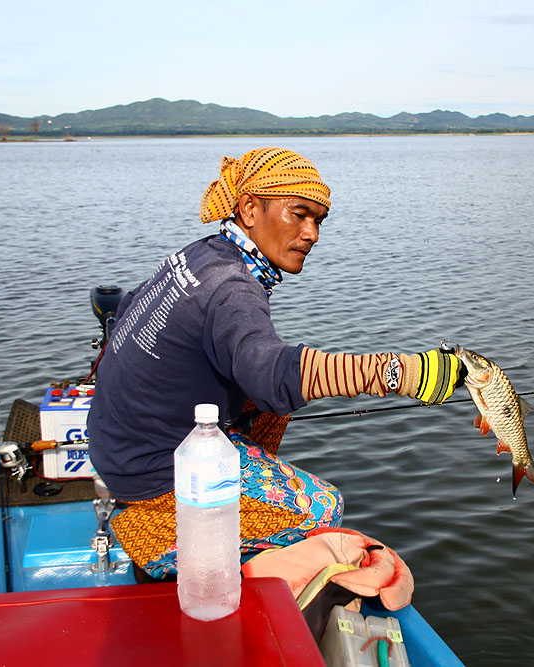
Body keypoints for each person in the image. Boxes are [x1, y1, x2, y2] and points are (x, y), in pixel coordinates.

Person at [87, 147, 463, 581]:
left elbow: (134, 305)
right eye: (299, 214)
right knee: (323, 510)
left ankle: (237, 498)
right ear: (249, 208)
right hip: (148, 468)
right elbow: (272, 376)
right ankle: (155, 539)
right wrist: (402, 372)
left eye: (318, 220)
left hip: (114, 439)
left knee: (272, 410)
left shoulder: (203, 254)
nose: (312, 234)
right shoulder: (232, 287)